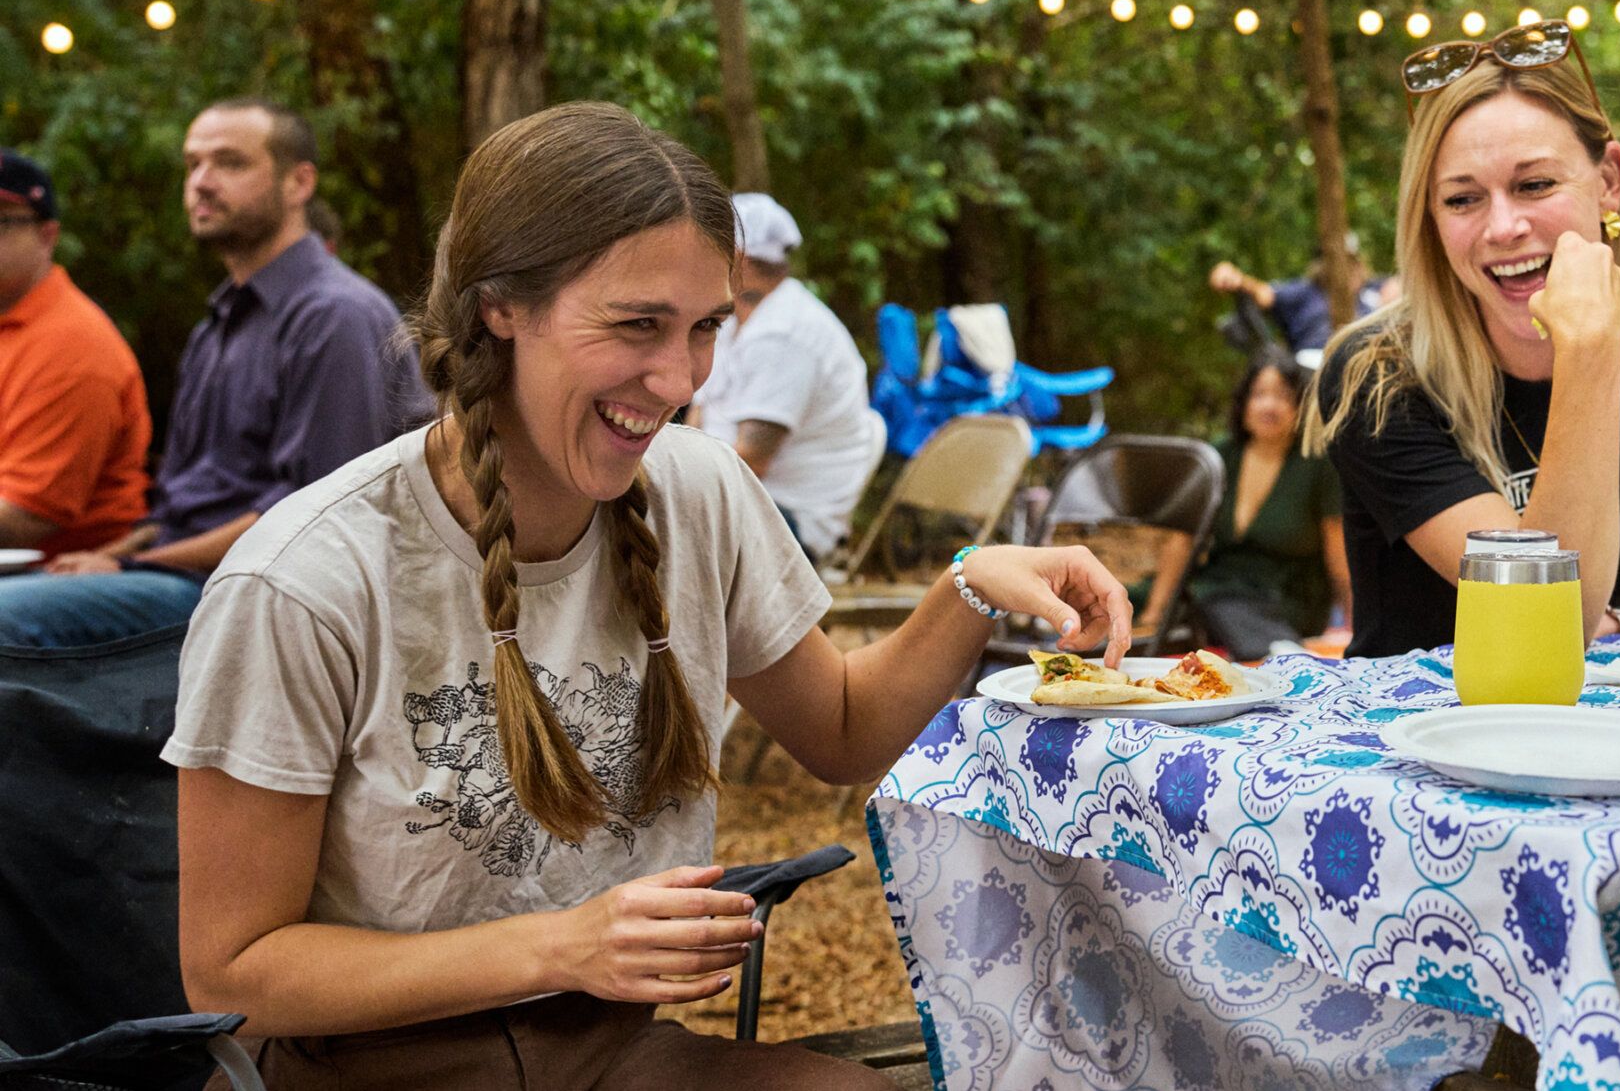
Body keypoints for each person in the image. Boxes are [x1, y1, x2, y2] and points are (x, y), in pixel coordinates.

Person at [164, 103, 1133, 1087]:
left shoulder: (699, 493)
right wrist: (560, 946)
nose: (677, 378)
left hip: (614, 1051)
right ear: (500, 305)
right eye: (636, 325)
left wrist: (970, 587)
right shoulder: (303, 580)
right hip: (359, 1072)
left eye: (707, 327)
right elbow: (231, 969)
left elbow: (839, 728)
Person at [1307, 21, 1620, 656]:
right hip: (1425, 731)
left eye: (1535, 185)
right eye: (1463, 200)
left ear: (1607, 181)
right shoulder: (1378, 374)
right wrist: (1590, 353)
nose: (1504, 226)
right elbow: (1547, 615)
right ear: (1430, 219)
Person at [0, 99, 428, 649]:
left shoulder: (334, 314)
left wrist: (133, 566)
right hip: (182, 574)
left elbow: (314, 516)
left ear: (299, 183)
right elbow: (185, 505)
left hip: (262, 592)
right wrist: (113, 556)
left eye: (229, 163)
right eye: (192, 164)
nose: (201, 182)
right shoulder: (219, 323)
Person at [685, 193, 885, 560]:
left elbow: (750, 461)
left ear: (739, 258)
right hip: (735, 496)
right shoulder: (733, 321)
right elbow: (698, 420)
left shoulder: (786, 335)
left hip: (786, 518)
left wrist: (669, 482)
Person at [1138, 352, 1349, 660]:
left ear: (1301, 406)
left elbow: (1337, 546)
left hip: (1284, 599)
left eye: (1283, 396)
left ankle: (1284, 656)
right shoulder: (1221, 455)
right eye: (1260, 394)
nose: (1269, 406)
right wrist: (1154, 614)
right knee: (1127, 597)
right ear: (1244, 404)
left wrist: (1352, 621)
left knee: (1220, 607)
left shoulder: (1318, 462)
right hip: (1215, 587)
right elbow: (1182, 538)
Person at [0, 149, 150, 558]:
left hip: (70, 574)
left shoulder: (71, 344)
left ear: (48, 236)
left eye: (1, 222)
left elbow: (25, 519)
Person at [1211, 233, 1392, 358]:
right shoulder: (1305, 293)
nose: (1345, 271)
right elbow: (1264, 294)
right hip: (1310, 369)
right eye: (1337, 264)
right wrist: (1238, 279)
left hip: (1367, 368)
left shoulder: (1376, 290)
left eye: (1351, 263)